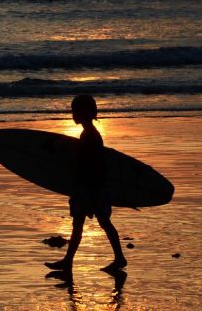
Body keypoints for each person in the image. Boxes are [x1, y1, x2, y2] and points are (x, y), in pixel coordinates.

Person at [45, 95, 127, 273]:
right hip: (92, 186)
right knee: (86, 224)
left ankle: (118, 258)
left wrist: (88, 189)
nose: (72, 114)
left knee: (99, 223)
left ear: (85, 113)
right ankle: (69, 261)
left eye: (75, 110)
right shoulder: (89, 134)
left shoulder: (90, 136)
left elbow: (91, 165)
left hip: (91, 187)